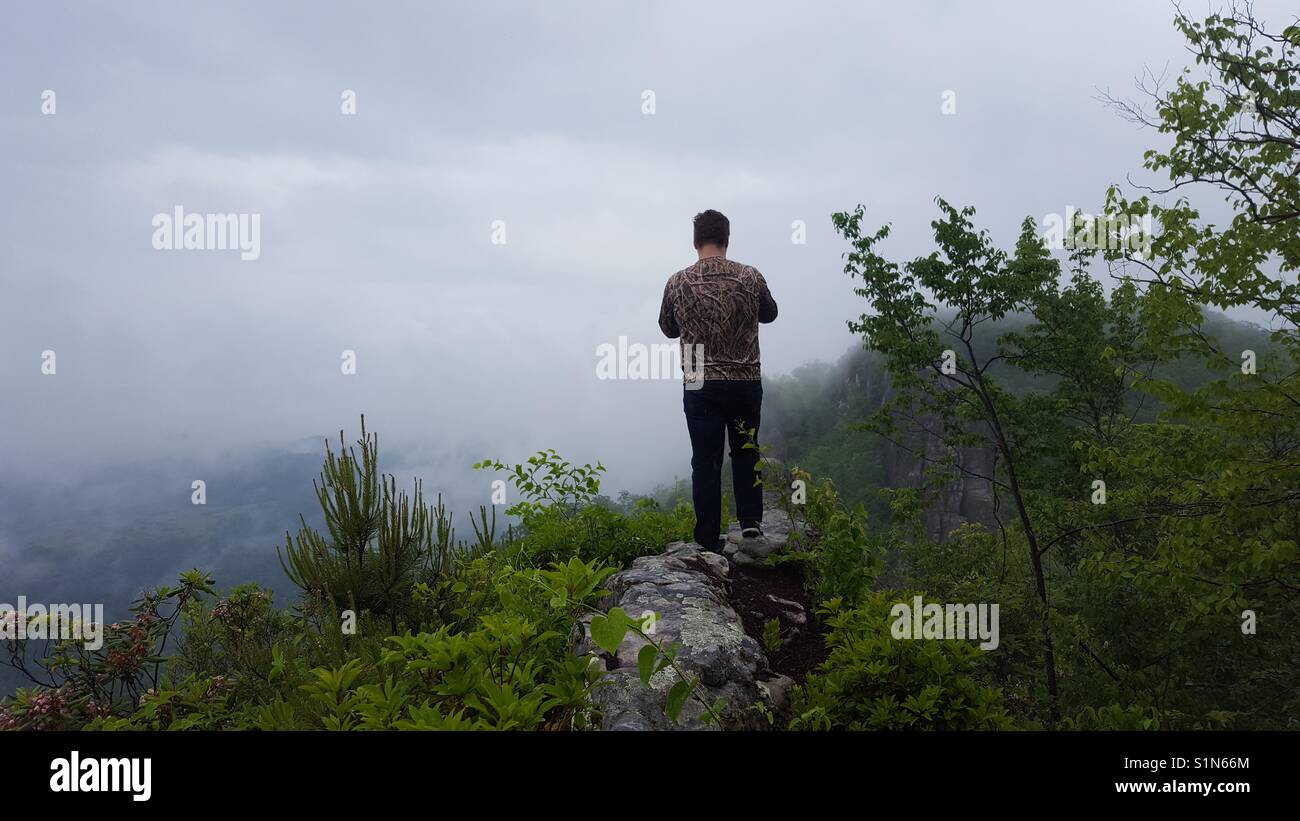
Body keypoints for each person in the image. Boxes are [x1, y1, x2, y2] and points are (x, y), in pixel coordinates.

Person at [658, 209, 778, 552]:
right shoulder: (750, 277)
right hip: (744, 375)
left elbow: (668, 328)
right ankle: (751, 524)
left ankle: (708, 538)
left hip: (698, 376)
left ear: (695, 241)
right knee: (745, 451)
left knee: (706, 459)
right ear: (727, 239)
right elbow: (769, 313)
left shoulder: (678, 282)